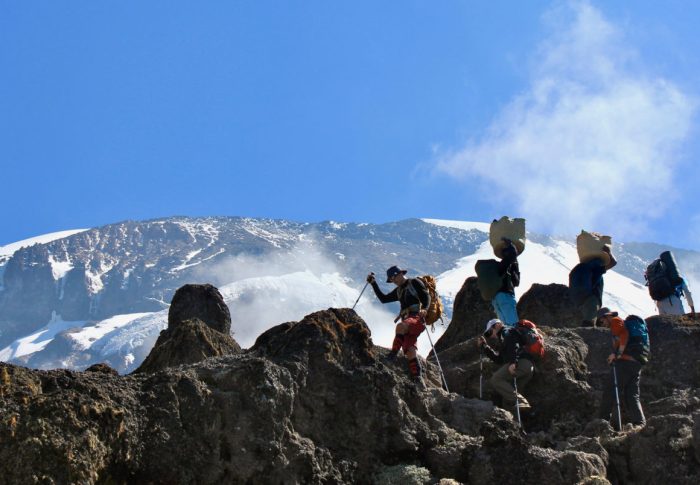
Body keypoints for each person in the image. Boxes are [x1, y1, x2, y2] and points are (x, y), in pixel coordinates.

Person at [367, 266, 430, 385]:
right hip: (408, 320)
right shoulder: (399, 290)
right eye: (391, 279)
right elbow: (384, 299)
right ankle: (418, 378)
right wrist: (373, 284)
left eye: (394, 277)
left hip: (417, 318)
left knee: (400, 327)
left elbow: (427, 296)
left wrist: (425, 309)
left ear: (400, 274)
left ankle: (391, 356)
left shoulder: (414, 282)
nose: (393, 281)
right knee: (409, 350)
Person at [597, 307, 646, 429]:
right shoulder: (623, 324)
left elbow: (624, 334)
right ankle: (639, 423)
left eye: (602, 320)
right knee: (632, 395)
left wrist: (617, 354)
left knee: (610, 391)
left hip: (625, 362)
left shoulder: (615, 321)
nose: (602, 324)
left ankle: (601, 422)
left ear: (607, 316)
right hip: (637, 363)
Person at [477, 318, 534, 411]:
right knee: (508, 397)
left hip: (521, 363)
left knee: (496, 379)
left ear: (497, 325)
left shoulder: (506, 331)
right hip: (528, 367)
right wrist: (485, 347)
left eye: (489, 332)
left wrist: (513, 363)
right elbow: (499, 359)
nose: (490, 336)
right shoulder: (503, 338)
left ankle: (521, 401)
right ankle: (514, 423)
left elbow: (514, 344)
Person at [580, 246, 617, 326]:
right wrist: (608, 252)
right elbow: (613, 262)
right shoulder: (596, 271)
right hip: (593, 300)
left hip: (584, 301)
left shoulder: (583, 271)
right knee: (589, 323)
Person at [492, 239, 520, 327]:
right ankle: (514, 340)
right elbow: (512, 255)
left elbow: (516, 282)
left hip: (496, 298)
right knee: (513, 324)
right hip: (505, 296)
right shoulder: (504, 265)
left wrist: (515, 266)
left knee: (504, 326)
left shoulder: (501, 266)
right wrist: (511, 245)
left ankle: (507, 340)